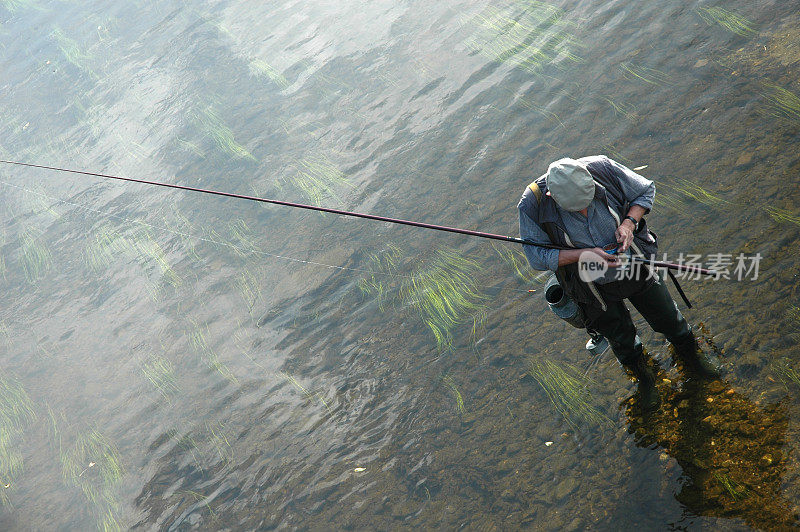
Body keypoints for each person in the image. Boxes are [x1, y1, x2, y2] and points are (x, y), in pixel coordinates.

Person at [517, 155, 721, 411]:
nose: (583, 210)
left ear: (590, 180)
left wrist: (628, 223)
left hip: (634, 262)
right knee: (620, 338)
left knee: (669, 317)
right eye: (574, 209)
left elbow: (645, 190)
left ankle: (692, 357)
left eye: (587, 202)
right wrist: (583, 255)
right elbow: (537, 257)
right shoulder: (532, 204)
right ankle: (645, 379)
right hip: (590, 285)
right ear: (552, 197)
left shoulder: (603, 168)